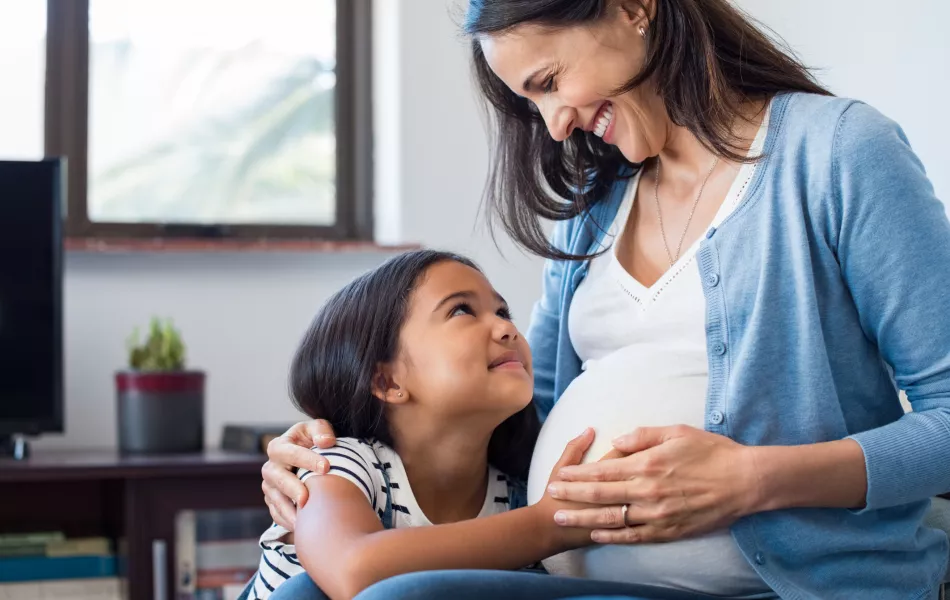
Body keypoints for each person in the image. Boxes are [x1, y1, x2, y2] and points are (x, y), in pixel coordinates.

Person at [261, 1, 950, 598]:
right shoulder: (591, 212)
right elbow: (526, 425)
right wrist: (334, 457)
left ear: (632, 7)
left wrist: (752, 480)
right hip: (561, 578)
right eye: (531, 103)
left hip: (783, 586)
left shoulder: (836, 155)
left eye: (551, 81)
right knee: (303, 590)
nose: (554, 125)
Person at [246, 249, 722, 600]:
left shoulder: (513, 492)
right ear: (387, 380)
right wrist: (548, 525)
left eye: (501, 310)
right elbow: (353, 572)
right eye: (461, 311)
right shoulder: (340, 468)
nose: (505, 327)